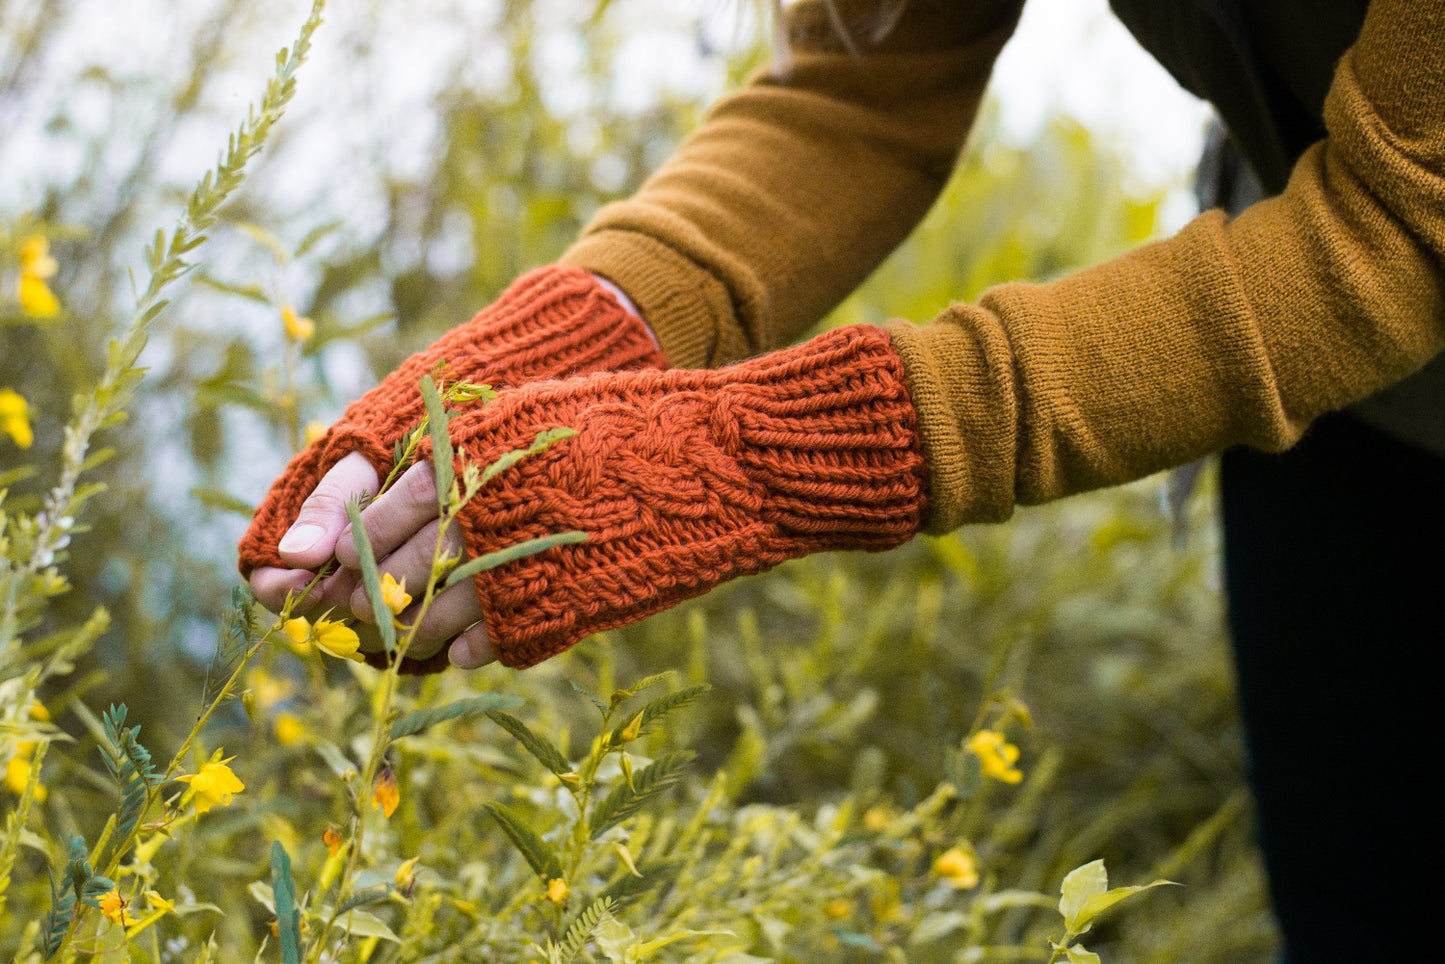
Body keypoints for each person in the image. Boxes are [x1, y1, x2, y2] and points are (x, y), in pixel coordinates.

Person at [240, 1, 1443, 958]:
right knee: (1360, 903)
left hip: (1351, 298)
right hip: (1340, 423)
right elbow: (862, 89)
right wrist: (564, 337)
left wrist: (756, 454)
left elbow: (1396, 233)